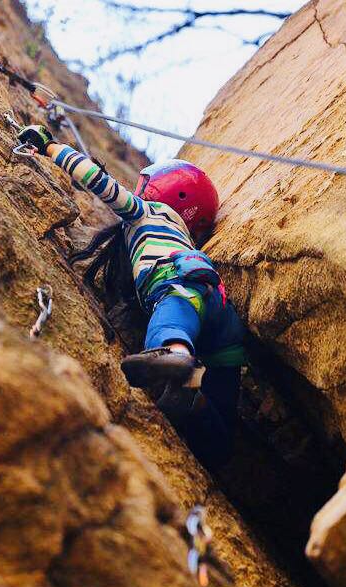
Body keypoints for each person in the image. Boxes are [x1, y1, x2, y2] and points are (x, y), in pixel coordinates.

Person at [18, 124, 245, 469]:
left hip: (179, 285)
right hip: (222, 314)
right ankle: (204, 414)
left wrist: (50, 147)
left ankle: (176, 354)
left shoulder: (145, 213)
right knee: (222, 403)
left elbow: (99, 183)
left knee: (172, 314)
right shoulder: (183, 235)